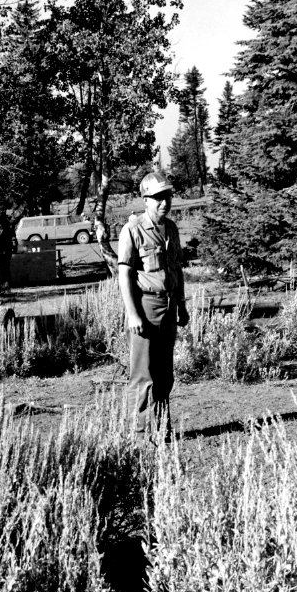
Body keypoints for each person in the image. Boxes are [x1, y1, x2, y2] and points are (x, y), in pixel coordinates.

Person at [117, 171, 189, 439]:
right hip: (145, 307)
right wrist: (132, 313)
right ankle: (140, 434)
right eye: (158, 198)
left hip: (169, 306)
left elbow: (177, 270)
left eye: (167, 196)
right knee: (143, 374)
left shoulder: (171, 228)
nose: (164, 202)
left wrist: (181, 304)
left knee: (165, 373)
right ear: (145, 199)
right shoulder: (132, 229)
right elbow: (124, 274)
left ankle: (162, 428)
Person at [0, 216, 15, 289]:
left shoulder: (7, 232)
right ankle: (7, 282)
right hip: (5, 252)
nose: (1, 225)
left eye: (2, 224)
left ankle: (7, 283)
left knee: (4, 268)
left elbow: (6, 243)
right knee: (5, 268)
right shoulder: (7, 231)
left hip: (4, 253)